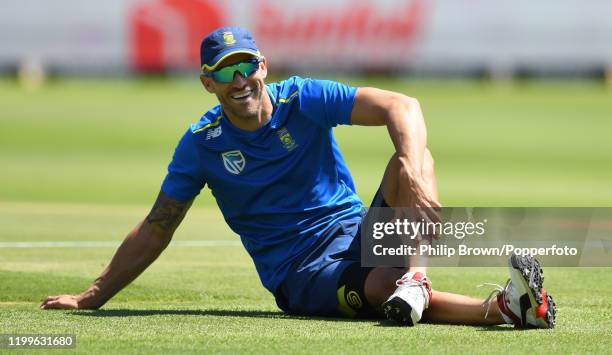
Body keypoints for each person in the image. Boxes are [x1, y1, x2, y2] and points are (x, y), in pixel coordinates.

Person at [41, 26, 556, 328]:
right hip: (302, 274)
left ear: (263, 66)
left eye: (245, 66)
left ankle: (419, 278)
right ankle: (508, 309)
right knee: (381, 285)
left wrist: (416, 180)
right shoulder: (201, 145)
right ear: (207, 82)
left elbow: (404, 104)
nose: (239, 81)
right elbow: (158, 225)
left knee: (411, 160)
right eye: (224, 72)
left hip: (356, 230)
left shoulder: (301, 97)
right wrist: (94, 295)